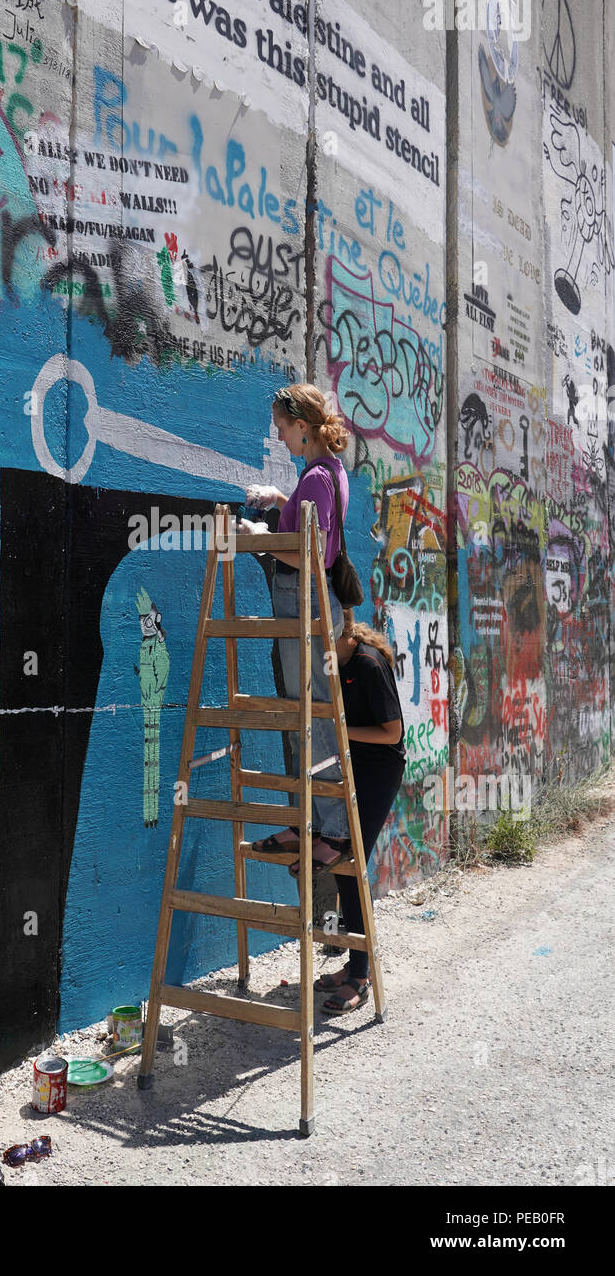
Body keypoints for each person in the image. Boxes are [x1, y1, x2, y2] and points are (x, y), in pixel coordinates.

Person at [238, 383, 352, 876]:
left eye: (283, 429)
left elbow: (315, 554)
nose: (280, 438)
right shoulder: (324, 473)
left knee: (315, 716)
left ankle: (334, 830)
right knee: (311, 711)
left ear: (303, 428)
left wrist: (263, 539)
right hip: (309, 603)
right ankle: (317, 822)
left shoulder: (318, 480)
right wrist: (282, 498)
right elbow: (313, 528)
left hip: (302, 601)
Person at [314, 608, 405, 1015]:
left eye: (324, 636)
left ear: (345, 632)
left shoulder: (367, 664)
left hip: (378, 770)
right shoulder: (340, 659)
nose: (319, 647)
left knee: (352, 863)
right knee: (338, 860)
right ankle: (353, 963)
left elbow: (393, 732)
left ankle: (360, 977)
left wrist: (340, 728)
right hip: (350, 763)